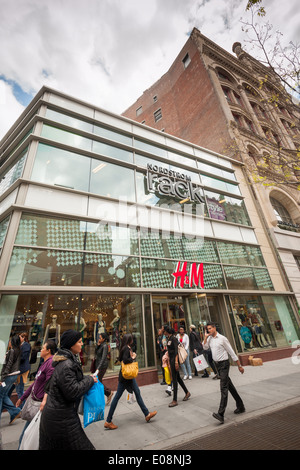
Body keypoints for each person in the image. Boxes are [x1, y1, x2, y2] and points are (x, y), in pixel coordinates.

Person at [39, 329, 97, 450]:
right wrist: (90, 380)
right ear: (71, 344)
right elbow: (73, 391)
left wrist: (87, 379)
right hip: (61, 420)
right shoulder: (66, 365)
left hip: (58, 417)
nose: (82, 344)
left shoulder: (65, 361)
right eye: (80, 341)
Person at [104, 333, 157, 429]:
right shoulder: (126, 349)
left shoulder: (124, 348)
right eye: (132, 338)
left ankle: (147, 414)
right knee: (118, 397)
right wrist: (133, 357)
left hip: (126, 376)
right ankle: (108, 420)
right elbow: (125, 360)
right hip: (126, 376)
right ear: (129, 340)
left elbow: (120, 359)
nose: (133, 340)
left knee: (136, 392)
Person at [203, 322, 245, 424]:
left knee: (223, 388)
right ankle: (241, 406)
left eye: (210, 328)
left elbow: (231, 352)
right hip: (217, 365)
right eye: (207, 329)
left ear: (214, 328)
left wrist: (239, 365)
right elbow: (204, 348)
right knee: (229, 385)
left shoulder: (222, 338)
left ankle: (220, 414)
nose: (208, 330)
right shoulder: (209, 339)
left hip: (224, 365)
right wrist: (205, 337)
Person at [17, 340, 56, 449]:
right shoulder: (44, 363)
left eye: (43, 348)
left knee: (26, 436)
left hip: (40, 406)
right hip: (36, 403)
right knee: (29, 436)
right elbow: (35, 383)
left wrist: (44, 401)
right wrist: (22, 397)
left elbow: (50, 384)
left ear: (48, 351)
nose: (41, 350)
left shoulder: (51, 364)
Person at [164, 325, 191, 407]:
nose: (163, 331)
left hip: (174, 361)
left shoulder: (174, 339)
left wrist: (176, 362)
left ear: (167, 331)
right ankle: (187, 392)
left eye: (164, 330)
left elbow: (176, 351)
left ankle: (175, 400)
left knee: (175, 380)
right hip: (171, 360)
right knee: (178, 378)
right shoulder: (169, 338)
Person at [0, 335, 22, 425]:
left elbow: (8, 365)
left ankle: (15, 411)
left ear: (12, 342)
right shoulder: (18, 351)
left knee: (0, 396)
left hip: (8, 376)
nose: (8, 343)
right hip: (13, 376)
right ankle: (15, 412)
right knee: (3, 395)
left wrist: (2, 378)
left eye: (9, 341)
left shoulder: (12, 351)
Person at [95, 332, 113, 405]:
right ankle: (108, 393)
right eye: (99, 337)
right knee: (99, 381)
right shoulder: (100, 345)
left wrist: (98, 368)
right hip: (98, 365)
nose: (99, 339)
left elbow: (103, 358)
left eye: (100, 338)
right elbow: (96, 353)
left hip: (102, 366)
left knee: (98, 381)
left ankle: (108, 393)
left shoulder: (105, 346)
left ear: (104, 339)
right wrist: (97, 345)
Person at [16, 332, 31, 403]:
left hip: (23, 370)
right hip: (19, 369)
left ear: (23, 338)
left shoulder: (26, 345)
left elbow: (23, 357)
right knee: (18, 389)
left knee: (20, 390)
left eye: (20, 337)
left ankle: (22, 408)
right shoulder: (21, 345)